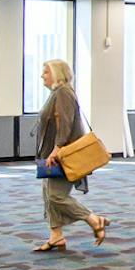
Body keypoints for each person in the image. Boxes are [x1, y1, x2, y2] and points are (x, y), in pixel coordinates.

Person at [32, 58, 107, 252]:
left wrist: (57, 150)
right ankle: (56, 236)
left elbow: (65, 124)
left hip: (62, 154)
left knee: (56, 196)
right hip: (53, 152)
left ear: (57, 74)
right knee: (48, 194)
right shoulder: (57, 93)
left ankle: (93, 219)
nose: (42, 76)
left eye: (46, 72)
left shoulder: (63, 93)